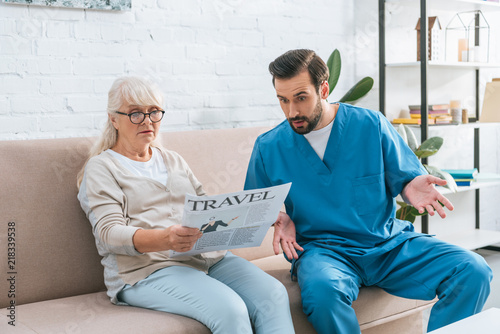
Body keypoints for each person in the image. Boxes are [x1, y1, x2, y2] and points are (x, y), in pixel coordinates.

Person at [244, 49, 493, 334]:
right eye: (283, 100)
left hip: (388, 244)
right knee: (323, 295)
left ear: (323, 89)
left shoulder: (370, 125)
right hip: (325, 252)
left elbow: (407, 177)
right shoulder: (269, 147)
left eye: (301, 98)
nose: (292, 112)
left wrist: (411, 184)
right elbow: (254, 205)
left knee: (473, 270)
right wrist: (278, 217)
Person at [77, 76, 295, 334]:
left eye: (154, 112)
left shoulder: (172, 160)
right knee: (231, 310)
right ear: (113, 118)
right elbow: (108, 234)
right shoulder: (102, 168)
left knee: (275, 295)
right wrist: (165, 239)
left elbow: (207, 208)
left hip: (207, 259)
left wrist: (258, 214)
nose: (147, 121)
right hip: (148, 270)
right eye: (136, 114)